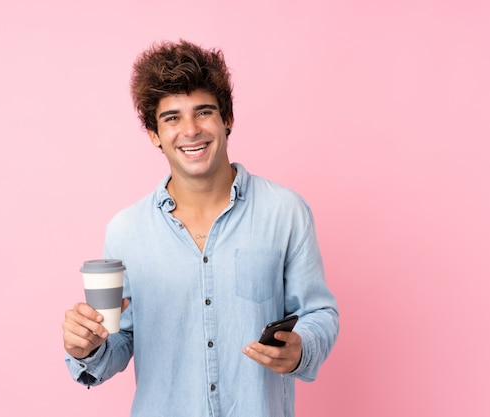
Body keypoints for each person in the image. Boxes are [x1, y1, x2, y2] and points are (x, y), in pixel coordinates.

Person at [62, 39, 339, 417]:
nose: (190, 130)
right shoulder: (126, 231)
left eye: (204, 112)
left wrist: (302, 348)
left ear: (227, 119)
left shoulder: (285, 212)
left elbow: (319, 312)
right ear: (154, 134)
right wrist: (87, 348)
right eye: (172, 117)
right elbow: (121, 339)